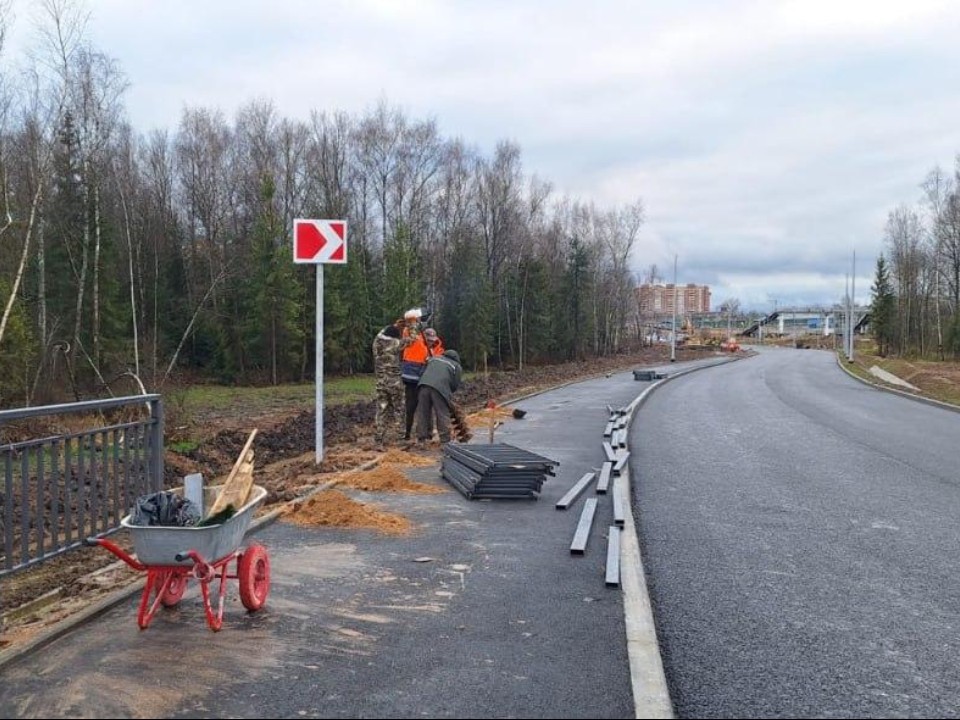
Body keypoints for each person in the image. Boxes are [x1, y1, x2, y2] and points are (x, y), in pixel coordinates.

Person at [400, 310, 437, 440]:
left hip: (422, 381)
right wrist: (420, 319)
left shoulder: (428, 346)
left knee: (424, 407)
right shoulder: (412, 338)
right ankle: (407, 433)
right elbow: (410, 323)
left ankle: (425, 433)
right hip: (411, 379)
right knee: (411, 407)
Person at [414, 349, 462, 446]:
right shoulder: (456, 366)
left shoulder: (434, 358)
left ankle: (422, 439)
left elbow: (423, 371)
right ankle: (445, 441)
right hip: (440, 389)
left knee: (423, 412)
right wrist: (448, 394)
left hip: (423, 385)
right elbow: (455, 384)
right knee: (442, 413)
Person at [372, 321, 405, 448]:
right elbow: (411, 340)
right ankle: (400, 440)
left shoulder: (376, 344)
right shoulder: (396, 344)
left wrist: (393, 325)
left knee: (381, 411)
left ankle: (379, 441)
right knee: (399, 410)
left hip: (381, 382)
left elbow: (380, 334)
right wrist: (413, 325)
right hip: (395, 383)